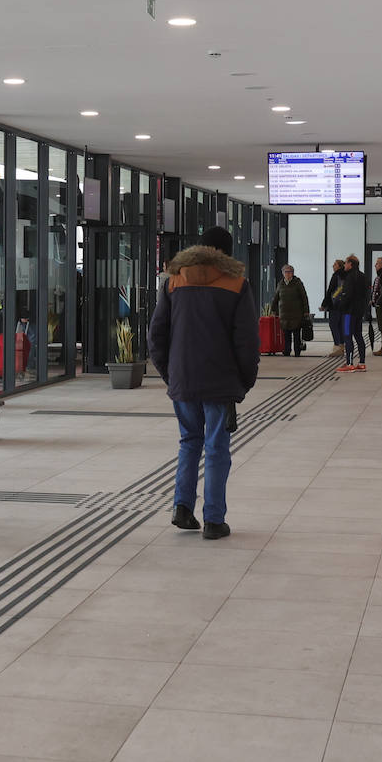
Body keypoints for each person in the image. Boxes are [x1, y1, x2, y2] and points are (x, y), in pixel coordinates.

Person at [149, 225, 259, 540]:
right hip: (220, 381)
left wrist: (171, 374)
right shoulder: (237, 284)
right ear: (226, 252)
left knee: (189, 442)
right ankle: (213, 520)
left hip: (183, 379)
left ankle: (182, 508)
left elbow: (156, 335)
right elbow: (247, 340)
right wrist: (245, 380)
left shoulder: (174, 282)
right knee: (216, 448)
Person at [334, 254, 369, 372]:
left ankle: (349, 364)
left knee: (347, 336)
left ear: (351, 264)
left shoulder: (350, 277)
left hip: (348, 312)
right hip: (359, 312)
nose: (344, 265)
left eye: (346, 263)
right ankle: (362, 363)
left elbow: (347, 295)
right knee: (358, 335)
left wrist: (340, 306)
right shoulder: (363, 276)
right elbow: (365, 295)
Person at [271, 264, 309, 357]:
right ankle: (287, 350)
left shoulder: (297, 283)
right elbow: (276, 298)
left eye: (290, 272)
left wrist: (306, 311)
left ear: (293, 273)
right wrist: (273, 310)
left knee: (296, 334)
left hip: (296, 314)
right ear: (283, 273)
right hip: (284, 314)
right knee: (286, 334)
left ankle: (297, 351)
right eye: (286, 272)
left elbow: (304, 297)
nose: (288, 274)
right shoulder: (280, 284)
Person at [319, 259, 345, 356]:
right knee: (341, 326)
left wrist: (324, 304)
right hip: (344, 304)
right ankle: (342, 345)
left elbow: (330, 290)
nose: (333, 266)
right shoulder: (346, 275)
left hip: (335, 305)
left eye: (335, 264)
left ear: (339, 266)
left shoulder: (336, 275)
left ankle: (337, 346)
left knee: (333, 325)